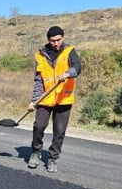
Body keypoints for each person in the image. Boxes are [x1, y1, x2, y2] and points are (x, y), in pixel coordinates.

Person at [27, 26, 82, 173]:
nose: (56, 43)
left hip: (64, 98)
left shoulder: (69, 51)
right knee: (39, 126)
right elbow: (39, 80)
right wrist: (34, 100)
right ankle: (36, 152)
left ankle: (52, 158)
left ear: (63, 37)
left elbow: (77, 67)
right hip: (46, 97)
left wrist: (69, 73)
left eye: (58, 40)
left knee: (59, 131)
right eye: (53, 41)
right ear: (48, 40)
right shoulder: (40, 55)